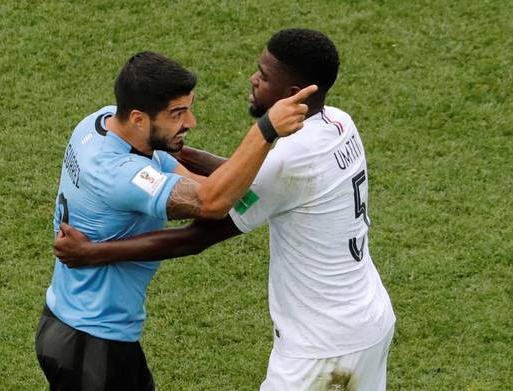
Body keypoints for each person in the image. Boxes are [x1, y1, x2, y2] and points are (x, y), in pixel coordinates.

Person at [54, 29, 396, 391]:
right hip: (369, 319)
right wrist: (175, 149)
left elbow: (200, 227)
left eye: (263, 76)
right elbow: (259, 177)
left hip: (321, 348)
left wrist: (92, 253)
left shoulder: (287, 165)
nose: (253, 78)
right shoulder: (340, 124)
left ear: (290, 96)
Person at [35, 50, 316, 390]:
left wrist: (269, 184)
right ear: (139, 118)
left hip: (78, 329)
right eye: (178, 113)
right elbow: (211, 202)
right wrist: (264, 131)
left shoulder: (104, 123)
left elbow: (212, 188)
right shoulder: (121, 175)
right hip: (92, 346)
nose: (191, 122)